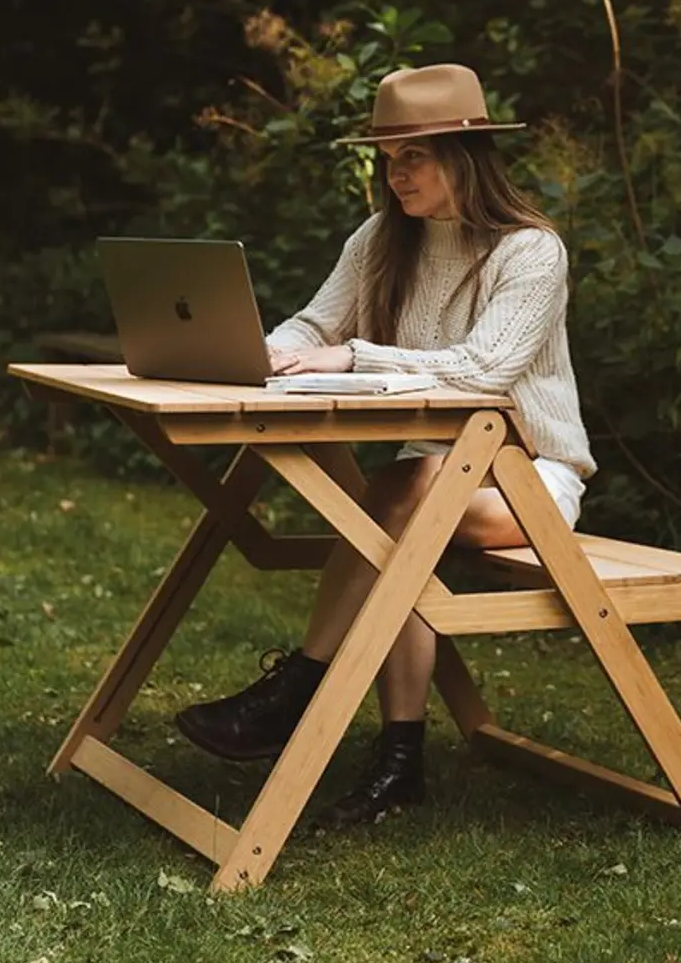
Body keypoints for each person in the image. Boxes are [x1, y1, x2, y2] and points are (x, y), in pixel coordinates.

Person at [174, 62, 596, 826]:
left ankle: (297, 690)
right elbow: (315, 324)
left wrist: (354, 358)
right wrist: (269, 353)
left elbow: (484, 370)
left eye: (413, 157)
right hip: (431, 480)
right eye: (387, 158)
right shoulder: (380, 239)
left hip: (530, 478)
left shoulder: (529, 253)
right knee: (403, 526)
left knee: (398, 501)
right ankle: (400, 763)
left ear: (463, 157)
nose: (395, 174)